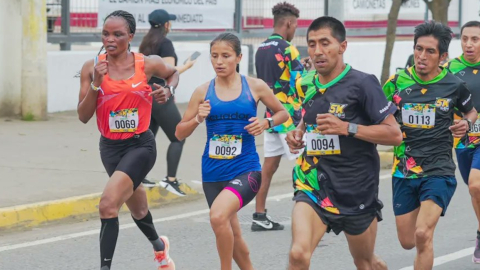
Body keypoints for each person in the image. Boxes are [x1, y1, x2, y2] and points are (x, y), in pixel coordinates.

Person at [285, 16, 401, 270]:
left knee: (364, 262)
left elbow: (394, 135)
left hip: (355, 188)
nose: (317, 51)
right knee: (298, 255)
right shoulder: (305, 83)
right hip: (314, 183)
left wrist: (346, 128)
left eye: (325, 43)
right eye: (312, 44)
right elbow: (308, 116)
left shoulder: (363, 83)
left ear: (342, 46)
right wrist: (298, 131)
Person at [175, 33, 288, 270]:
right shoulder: (202, 91)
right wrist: (197, 118)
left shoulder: (255, 86)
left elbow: (282, 113)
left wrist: (266, 123)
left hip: (246, 170)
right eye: (214, 56)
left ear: (238, 57)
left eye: (226, 56)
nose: (219, 61)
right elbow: (179, 133)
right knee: (234, 238)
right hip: (213, 175)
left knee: (217, 217)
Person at [77, 10, 178, 270]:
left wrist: (168, 90)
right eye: (106, 34)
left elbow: (173, 73)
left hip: (140, 145)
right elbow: (83, 116)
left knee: (108, 204)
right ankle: (160, 248)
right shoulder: (92, 67)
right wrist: (96, 85)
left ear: (130, 36)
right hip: (110, 148)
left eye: (118, 34)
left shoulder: (148, 63)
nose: (110, 39)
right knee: (138, 207)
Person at [383, 21, 477, 270]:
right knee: (407, 241)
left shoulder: (454, 85)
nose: (421, 56)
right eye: (418, 49)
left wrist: (466, 124)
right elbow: (375, 113)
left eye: (430, 51)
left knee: (423, 234)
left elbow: (471, 111)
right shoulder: (396, 83)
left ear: (443, 56)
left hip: (439, 168)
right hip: (404, 170)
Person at [253, 1, 304, 231]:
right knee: (305, 165)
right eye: (295, 27)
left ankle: (259, 215)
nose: (295, 31)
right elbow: (300, 82)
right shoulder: (287, 48)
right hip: (289, 117)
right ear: (288, 23)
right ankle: (307, 218)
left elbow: (270, 79)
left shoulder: (260, 48)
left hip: (270, 115)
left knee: (269, 167)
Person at [139, 9, 197, 195]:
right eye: (169, 22)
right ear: (166, 25)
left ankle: (140, 177)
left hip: (146, 96)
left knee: (148, 140)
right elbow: (170, 70)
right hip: (161, 96)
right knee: (179, 137)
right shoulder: (165, 43)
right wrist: (187, 66)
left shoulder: (145, 43)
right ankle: (170, 180)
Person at [444, 20, 480, 263]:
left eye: (475, 39)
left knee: (476, 185)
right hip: (464, 141)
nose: (468, 44)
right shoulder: (450, 69)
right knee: (474, 190)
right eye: (465, 38)